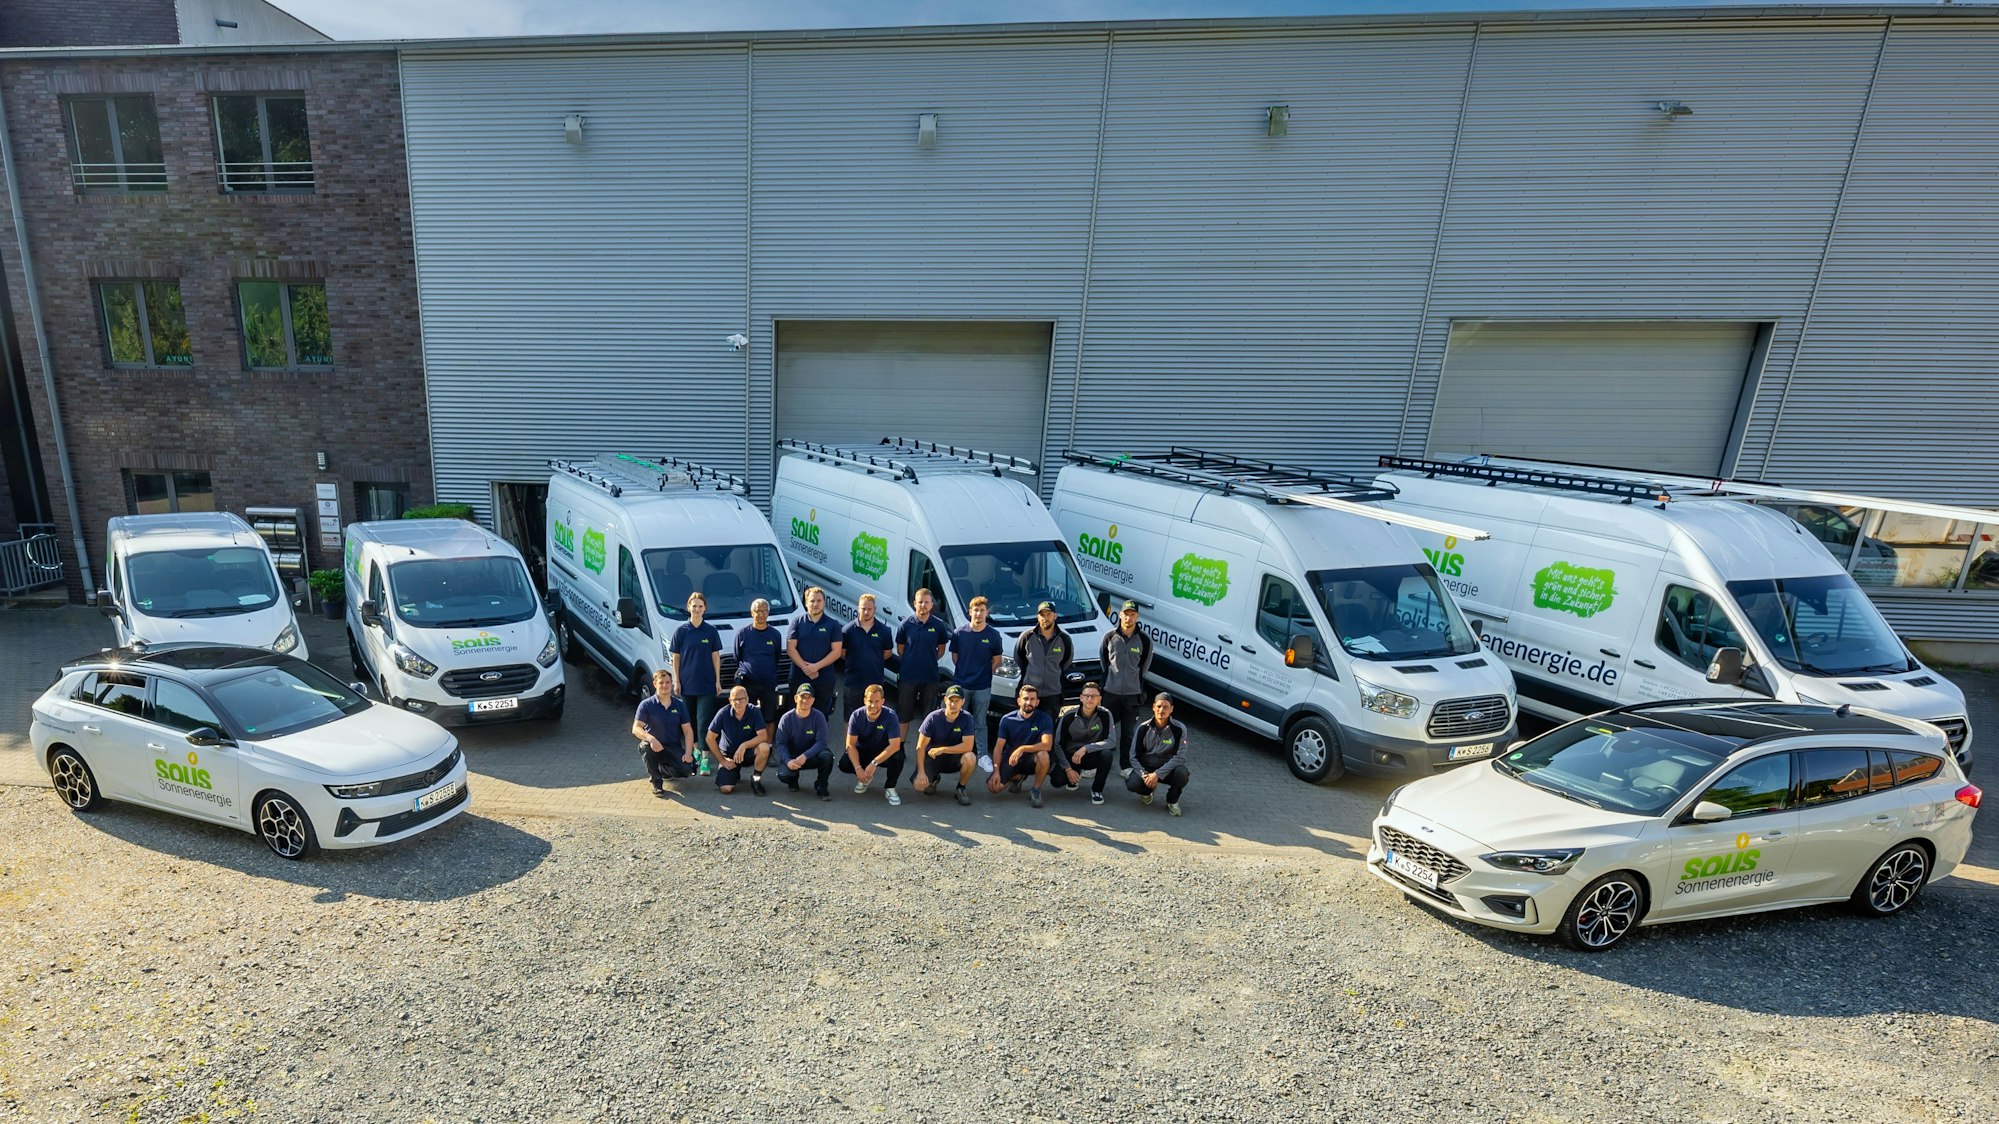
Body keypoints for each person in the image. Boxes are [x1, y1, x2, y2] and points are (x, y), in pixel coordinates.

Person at [947, 596, 1006, 773]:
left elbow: (997, 660)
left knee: (980, 722)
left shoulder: (993, 635)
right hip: (961, 685)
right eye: (976, 610)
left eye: (982, 610)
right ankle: (954, 752)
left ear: (987, 613)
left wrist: (984, 674)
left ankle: (982, 756)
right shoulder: (959, 633)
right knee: (956, 719)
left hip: (982, 686)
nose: (978, 614)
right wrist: (965, 672)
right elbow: (955, 657)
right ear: (970, 612)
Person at [1099, 600, 1153, 775]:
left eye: (1132, 614)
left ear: (1137, 616)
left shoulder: (1144, 640)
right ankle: (1096, 765)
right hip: (1110, 692)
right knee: (1104, 730)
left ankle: (1125, 766)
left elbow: (1144, 666)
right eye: (1126, 614)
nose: (1128, 618)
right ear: (1120, 614)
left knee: (1128, 733)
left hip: (1132, 694)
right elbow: (1104, 661)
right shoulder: (1109, 637)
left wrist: (1133, 681)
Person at [670, 591, 726, 745]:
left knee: (703, 721)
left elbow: (716, 656)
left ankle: (705, 754)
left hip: (706, 683)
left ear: (705, 608)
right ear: (688, 607)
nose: (697, 609)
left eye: (700, 606)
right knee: (689, 721)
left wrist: (717, 681)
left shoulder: (711, 631)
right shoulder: (681, 631)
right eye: (694, 606)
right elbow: (676, 657)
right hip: (686, 683)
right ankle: (695, 751)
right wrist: (676, 681)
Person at [986, 683, 1055, 807]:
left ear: (1037, 702)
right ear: (1019, 701)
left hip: (1031, 760)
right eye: (1025, 698)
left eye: (1032, 699)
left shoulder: (1044, 719)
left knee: (1044, 755)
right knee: (994, 788)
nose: (1029, 702)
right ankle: (1017, 777)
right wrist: (996, 771)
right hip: (1011, 760)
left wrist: (1022, 748)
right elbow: (998, 748)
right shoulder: (1007, 719)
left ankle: (1035, 790)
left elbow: (1047, 745)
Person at [631, 668, 694, 797]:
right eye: (661, 683)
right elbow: (636, 728)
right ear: (655, 684)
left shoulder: (679, 705)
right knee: (645, 748)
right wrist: (651, 739)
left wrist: (688, 753)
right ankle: (657, 783)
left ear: (672, 684)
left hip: (672, 747)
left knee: (688, 769)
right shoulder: (646, 705)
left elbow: (688, 731)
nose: (665, 685)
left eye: (667, 682)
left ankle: (663, 770)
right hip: (653, 746)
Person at [1052, 681, 1118, 805]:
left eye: (1094, 696)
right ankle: (1075, 774)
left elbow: (1111, 741)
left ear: (1099, 699)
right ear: (1081, 698)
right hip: (1072, 756)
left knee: (1107, 755)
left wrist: (1086, 748)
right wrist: (1068, 769)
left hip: (1092, 755)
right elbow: (1058, 745)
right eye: (1087, 696)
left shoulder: (1105, 714)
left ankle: (1097, 790)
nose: (1090, 699)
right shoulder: (1068, 716)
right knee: (1056, 781)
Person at [841, 682, 905, 806]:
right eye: (870, 701)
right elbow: (850, 745)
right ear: (865, 700)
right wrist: (858, 769)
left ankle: (890, 787)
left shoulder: (891, 716)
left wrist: (874, 763)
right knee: (844, 763)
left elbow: (895, 745)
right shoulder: (856, 716)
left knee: (899, 756)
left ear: (883, 701)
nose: (873, 705)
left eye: (877, 701)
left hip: (884, 751)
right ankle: (864, 778)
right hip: (864, 750)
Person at [913, 685, 978, 807]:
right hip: (933, 758)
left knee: (970, 758)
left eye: (957, 701)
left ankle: (961, 788)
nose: (953, 704)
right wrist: (921, 772)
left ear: (963, 702)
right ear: (945, 700)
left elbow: (968, 746)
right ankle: (934, 779)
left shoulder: (967, 718)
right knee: (919, 786)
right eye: (951, 700)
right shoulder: (933, 717)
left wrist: (943, 749)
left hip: (954, 758)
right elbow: (920, 747)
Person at [1126, 692, 1191, 815]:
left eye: (1166, 707)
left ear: (1171, 709)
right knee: (1132, 784)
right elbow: (1133, 755)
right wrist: (1144, 775)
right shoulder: (1142, 728)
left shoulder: (1179, 729)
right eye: (1159, 706)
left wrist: (1158, 774)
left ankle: (1172, 801)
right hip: (1147, 768)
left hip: (1169, 769)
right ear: (1153, 707)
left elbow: (1180, 757)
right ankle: (1148, 792)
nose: (1161, 710)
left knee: (1182, 773)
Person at [894, 587, 950, 728]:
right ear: (915, 603)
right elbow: (900, 649)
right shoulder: (905, 625)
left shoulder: (939, 625)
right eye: (920, 602)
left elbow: (941, 649)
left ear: (931, 605)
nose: (923, 605)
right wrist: (913, 659)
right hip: (908, 677)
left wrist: (928, 659)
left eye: (926, 602)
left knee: (929, 718)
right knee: (903, 717)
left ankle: (924, 742)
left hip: (930, 678)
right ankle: (901, 743)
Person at [734, 598, 785, 747]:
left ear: (768, 613)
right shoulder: (742, 633)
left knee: (769, 717)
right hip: (748, 683)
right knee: (746, 717)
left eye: (764, 611)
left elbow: (777, 656)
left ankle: (767, 747)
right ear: (752, 613)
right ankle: (747, 747)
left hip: (769, 683)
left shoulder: (775, 635)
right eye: (758, 611)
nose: (761, 614)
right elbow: (737, 657)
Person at [788, 586, 844, 715]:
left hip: (823, 679)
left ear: (824, 603)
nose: (815, 604)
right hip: (799, 676)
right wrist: (806, 668)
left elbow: (836, 652)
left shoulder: (833, 624)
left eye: (819, 601)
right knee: (797, 714)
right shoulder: (797, 622)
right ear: (806, 603)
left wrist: (816, 667)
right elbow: (791, 649)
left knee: (821, 715)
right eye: (812, 601)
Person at [706, 685, 771, 796]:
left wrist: (744, 746)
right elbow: (709, 737)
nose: (738, 702)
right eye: (735, 699)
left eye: (741, 699)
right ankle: (734, 774)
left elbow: (763, 736)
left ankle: (756, 779)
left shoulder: (754, 711)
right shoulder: (723, 713)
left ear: (747, 699)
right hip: (729, 756)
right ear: (730, 700)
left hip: (748, 752)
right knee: (726, 789)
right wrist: (722, 760)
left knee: (764, 747)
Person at [773, 683, 834, 800]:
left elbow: (822, 742)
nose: (805, 700)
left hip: (812, 755)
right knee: (784, 775)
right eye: (802, 697)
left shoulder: (819, 717)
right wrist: (788, 760)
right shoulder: (786, 718)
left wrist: (805, 756)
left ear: (813, 700)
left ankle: (821, 785)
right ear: (796, 698)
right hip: (793, 757)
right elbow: (781, 744)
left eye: (808, 697)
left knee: (827, 757)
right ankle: (793, 780)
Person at [841, 592, 895, 723]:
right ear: (858, 608)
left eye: (869, 609)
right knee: (850, 719)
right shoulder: (847, 630)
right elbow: (842, 653)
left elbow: (888, 653)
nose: (866, 612)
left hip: (875, 682)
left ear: (874, 609)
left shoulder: (884, 631)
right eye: (863, 608)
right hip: (853, 683)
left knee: (875, 718)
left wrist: (873, 660)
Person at [1013, 601, 1074, 709]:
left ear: (1055, 616)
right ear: (1037, 617)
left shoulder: (1064, 639)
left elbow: (1066, 661)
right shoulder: (1027, 637)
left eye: (1048, 614)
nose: (1045, 618)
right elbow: (1019, 658)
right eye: (1042, 615)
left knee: (1050, 720)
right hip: (1030, 694)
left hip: (1053, 694)